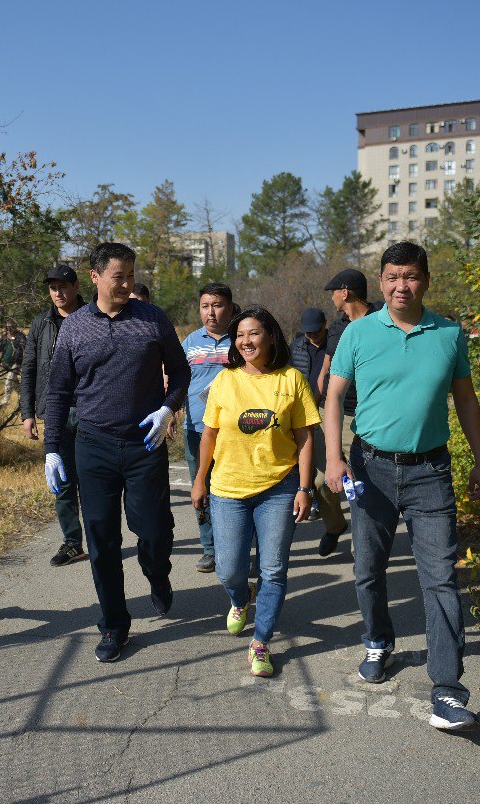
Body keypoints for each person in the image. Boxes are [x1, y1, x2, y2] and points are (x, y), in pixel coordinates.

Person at [323, 242, 480, 732]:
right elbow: (333, 396)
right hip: (369, 469)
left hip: (431, 472)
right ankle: (379, 642)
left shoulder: (449, 334)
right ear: (381, 282)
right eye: (393, 277)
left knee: (440, 578)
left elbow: (466, 400)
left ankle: (448, 690)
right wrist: (333, 457)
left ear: (426, 281)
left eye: (411, 276)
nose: (402, 286)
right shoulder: (357, 333)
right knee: (368, 570)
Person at [43, 242, 191, 663]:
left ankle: (157, 573)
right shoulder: (75, 328)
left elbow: (180, 370)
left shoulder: (152, 318)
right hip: (93, 446)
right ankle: (113, 624)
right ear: (95, 277)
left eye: (130, 276)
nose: (126, 284)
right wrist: (52, 448)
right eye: (118, 277)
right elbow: (58, 391)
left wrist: (167, 408)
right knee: (102, 539)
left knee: (153, 529)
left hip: (144, 443)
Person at [191, 306, 318, 678]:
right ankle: (240, 596)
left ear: (271, 337)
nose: (246, 341)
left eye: (254, 333)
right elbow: (209, 434)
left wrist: (305, 487)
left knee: (273, 570)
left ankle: (261, 642)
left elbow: (305, 437)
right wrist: (199, 479)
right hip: (228, 488)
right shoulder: (225, 380)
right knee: (229, 569)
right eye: (240, 335)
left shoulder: (292, 379)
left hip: (279, 487)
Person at [20, 264, 88, 568]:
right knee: (62, 479)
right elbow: (29, 368)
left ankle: (100, 539)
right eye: (52, 288)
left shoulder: (92, 316)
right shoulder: (41, 323)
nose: (57, 293)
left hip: (89, 409)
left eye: (63, 287)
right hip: (55, 411)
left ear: (76, 287)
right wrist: (28, 413)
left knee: (92, 479)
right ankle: (72, 543)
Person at [315, 268, 378, 557]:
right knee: (320, 481)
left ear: (345, 292)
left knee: (357, 483)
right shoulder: (337, 327)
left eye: (334, 293)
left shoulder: (381, 320)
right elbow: (326, 368)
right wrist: (318, 401)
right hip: (331, 413)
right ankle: (335, 526)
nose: (331, 299)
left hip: (364, 416)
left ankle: (360, 546)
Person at [180, 282, 235, 573]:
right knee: (201, 490)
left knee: (236, 493)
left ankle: (239, 551)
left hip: (234, 432)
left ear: (230, 308)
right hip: (196, 429)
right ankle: (210, 549)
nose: (210, 312)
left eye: (217, 305)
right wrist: (171, 412)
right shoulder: (190, 342)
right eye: (205, 306)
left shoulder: (241, 339)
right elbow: (177, 379)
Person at [288, 307, 341, 529]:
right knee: (308, 467)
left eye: (316, 332)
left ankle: (333, 520)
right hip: (302, 411)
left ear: (324, 325)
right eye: (308, 332)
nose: (312, 336)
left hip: (327, 409)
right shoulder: (297, 347)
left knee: (323, 474)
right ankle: (316, 503)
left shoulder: (335, 344)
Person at [0, 320, 26, 403]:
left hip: (16, 363)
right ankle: (22, 400)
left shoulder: (20, 336)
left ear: (15, 327)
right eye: (7, 327)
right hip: (6, 364)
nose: (9, 329)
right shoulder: (5, 337)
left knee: (8, 381)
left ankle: (5, 401)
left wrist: (23, 344)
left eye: (11, 327)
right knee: (15, 383)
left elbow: (25, 344)